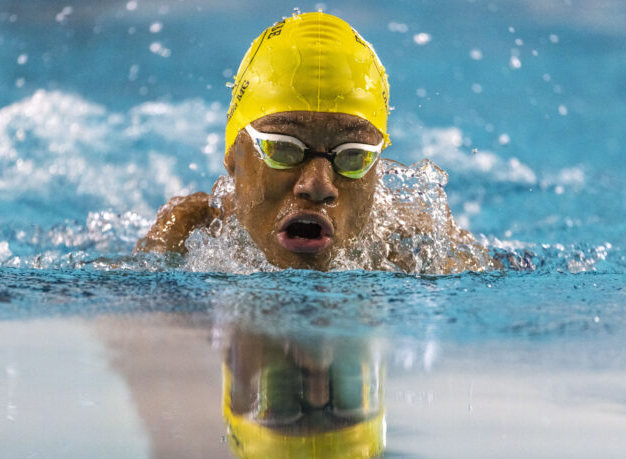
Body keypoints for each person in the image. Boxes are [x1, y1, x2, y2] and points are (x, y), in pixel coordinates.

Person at [136, 12, 494, 273]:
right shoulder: (187, 232)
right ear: (233, 156)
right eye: (282, 148)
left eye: (353, 156)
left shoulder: (415, 245)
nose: (318, 186)